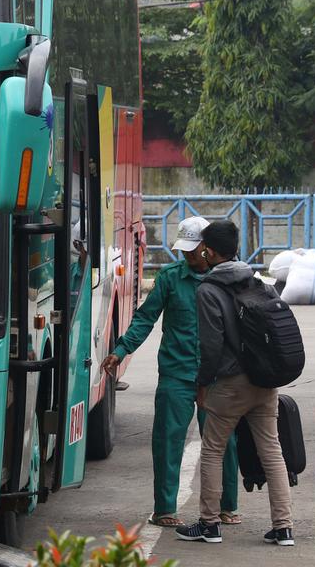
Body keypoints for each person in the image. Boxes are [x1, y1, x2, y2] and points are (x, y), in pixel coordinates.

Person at [101, 216, 241, 529]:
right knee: (167, 441)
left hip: (217, 377)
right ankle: (165, 508)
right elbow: (144, 319)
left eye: (194, 249)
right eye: (184, 250)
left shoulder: (227, 278)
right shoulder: (170, 278)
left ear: (208, 247)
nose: (188, 255)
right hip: (176, 375)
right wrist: (121, 349)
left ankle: (227, 506)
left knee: (225, 443)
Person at [176, 220, 294, 547]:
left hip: (230, 384)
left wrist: (203, 384)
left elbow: (211, 346)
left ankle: (209, 524)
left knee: (213, 449)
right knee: (272, 450)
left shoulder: (208, 290)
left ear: (208, 251)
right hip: (264, 381)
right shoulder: (258, 282)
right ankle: (283, 528)